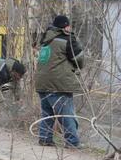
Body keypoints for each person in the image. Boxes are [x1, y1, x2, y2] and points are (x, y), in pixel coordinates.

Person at [35, 15, 84, 148]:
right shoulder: (67, 39)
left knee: (47, 113)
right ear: (65, 26)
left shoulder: (45, 40)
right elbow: (79, 58)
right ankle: (72, 142)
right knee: (66, 114)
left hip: (41, 83)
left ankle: (45, 139)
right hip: (58, 84)